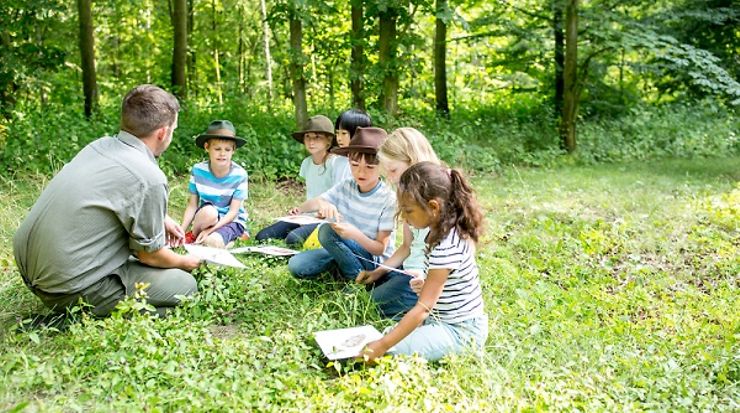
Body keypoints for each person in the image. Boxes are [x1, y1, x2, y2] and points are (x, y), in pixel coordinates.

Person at [13, 84, 201, 317]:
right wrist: (187, 262)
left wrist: (160, 217)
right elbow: (150, 255)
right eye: (173, 129)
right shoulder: (150, 177)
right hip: (67, 289)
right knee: (185, 286)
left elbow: (111, 195)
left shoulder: (99, 146)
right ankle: (83, 314)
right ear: (162, 133)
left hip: (30, 270)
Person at [360, 162, 488, 362]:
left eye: (408, 211)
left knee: (386, 349)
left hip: (461, 332)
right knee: (386, 335)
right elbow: (444, 284)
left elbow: (423, 308)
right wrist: (426, 283)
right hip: (439, 321)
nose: (404, 216)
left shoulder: (447, 245)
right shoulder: (441, 229)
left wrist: (383, 345)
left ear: (433, 207)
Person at [287, 127, 396, 281]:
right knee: (297, 265)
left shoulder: (388, 199)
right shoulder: (347, 185)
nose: (361, 173)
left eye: (369, 167)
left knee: (327, 231)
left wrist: (354, 234)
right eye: (354, 165)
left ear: (383, 167)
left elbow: (380, 249)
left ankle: (356, 281)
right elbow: (318, 201)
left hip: (372, 260)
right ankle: (343, 271)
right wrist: (317, 206)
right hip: (344, 249)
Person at [356, 127, 441, 318]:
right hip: (409, 270)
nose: (391, 178)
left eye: (393, 170)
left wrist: (425, 278)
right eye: (388, 173)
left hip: (427, 277)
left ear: (412, 159)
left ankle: (419, 308)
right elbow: (407, 246)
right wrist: (378, 272)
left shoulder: (440, 191)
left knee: (369, 306)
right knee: (364, 295)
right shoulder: (406, 192)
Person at [255, 115, 350, 245]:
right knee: (262, 236)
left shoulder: (335, 163)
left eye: (317, 137)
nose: (311, 141)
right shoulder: (307, 163)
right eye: (307, 137)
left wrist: (324, 212)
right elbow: (312, 193)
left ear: (328, 140)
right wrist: (299, 210)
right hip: (308, 216)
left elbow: (338, 198)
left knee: (294, 239)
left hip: (327, 219)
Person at [181, 120, 249, 248]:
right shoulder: (198, 170)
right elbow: (192, 206)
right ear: (207, 147)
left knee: (212, 242)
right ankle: (193, 236)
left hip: (231, 220)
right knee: (209, 213)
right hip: (208, 216)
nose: (222, 153)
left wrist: (210, 231)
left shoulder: (240, 175)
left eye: (227, 149)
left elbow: (233, 212)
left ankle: (231, 238)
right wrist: (181, 230)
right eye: (217, 149)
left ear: (233, 150)